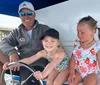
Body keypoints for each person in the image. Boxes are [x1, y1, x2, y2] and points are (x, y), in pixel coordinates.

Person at [0, 1, 51, 84]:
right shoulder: (16, 32)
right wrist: (12, 52)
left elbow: (55, 46)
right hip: (20, 62)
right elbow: (3, 43)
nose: (26, 17)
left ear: (34, 14)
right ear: (19, 16)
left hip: (37, 65)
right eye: (22, 14)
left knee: (26, 82)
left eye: (29, 13)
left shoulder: (44, 29)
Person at [3, 29, 70, 85]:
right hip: (55, 69)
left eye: (52, 41)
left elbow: (52, 64)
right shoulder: (43, 52)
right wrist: (12, 64)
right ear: (42, 42)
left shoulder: (60, 53)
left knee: (56, 83)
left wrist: (43, 74)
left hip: (65, 69)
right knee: (49, 82)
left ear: (57, 43)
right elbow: (30, 59)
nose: (49, 43)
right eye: (46, 40)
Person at [68, 16, 100, 85]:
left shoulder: (97, 46)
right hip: (79, 72)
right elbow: (73, 59)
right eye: (78, 31)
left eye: (82, 32)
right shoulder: (77, 44)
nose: (79, 35)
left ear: (93, 31)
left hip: (91, 73)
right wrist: (72, 73)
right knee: (71, 83)